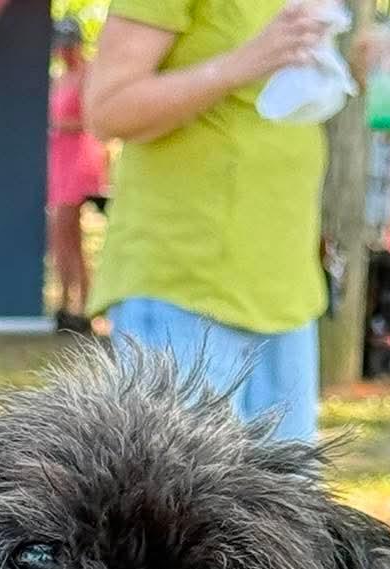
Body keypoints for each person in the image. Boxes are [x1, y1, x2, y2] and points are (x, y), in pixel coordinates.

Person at [86, 0, 334, 441]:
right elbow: (107, 108)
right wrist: (239, 65)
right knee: (177, 482)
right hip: (183, 287)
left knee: (287, 488)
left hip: (286, 291)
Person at [45, 20, 108, 333]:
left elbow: (94, 120)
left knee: (70, 229)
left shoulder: (89, 75)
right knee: (59, 235)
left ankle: (84, 305)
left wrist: (59, 127)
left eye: (68, 45)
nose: (64, 51)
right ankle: (64, 299)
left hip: (80, 158)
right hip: (58, 158)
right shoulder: (58, 79)